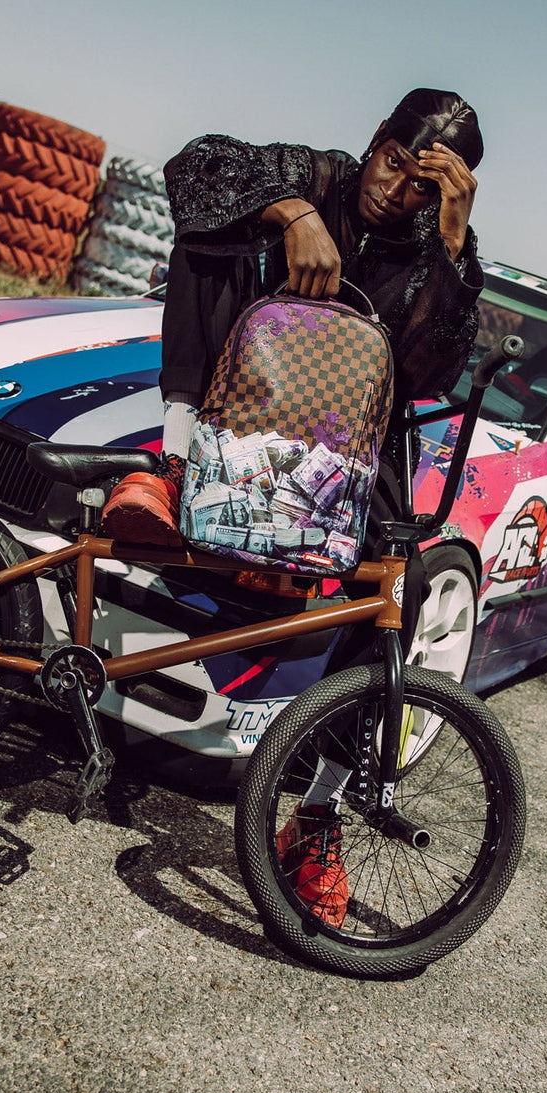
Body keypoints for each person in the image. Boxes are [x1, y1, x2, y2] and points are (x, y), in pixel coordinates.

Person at [103, 89, 485, 925]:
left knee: (401, 591)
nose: (396, 190)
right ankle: (169, 465)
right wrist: (291, 214)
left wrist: (453, 245)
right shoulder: (314, 175)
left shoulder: (438, 250)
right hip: (235, 415)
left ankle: (316, 817)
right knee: (214, 224)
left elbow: (429, 377)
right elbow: (191, 168)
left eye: (423, 187)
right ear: (376, 142)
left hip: (349, 449)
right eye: (393, 163)